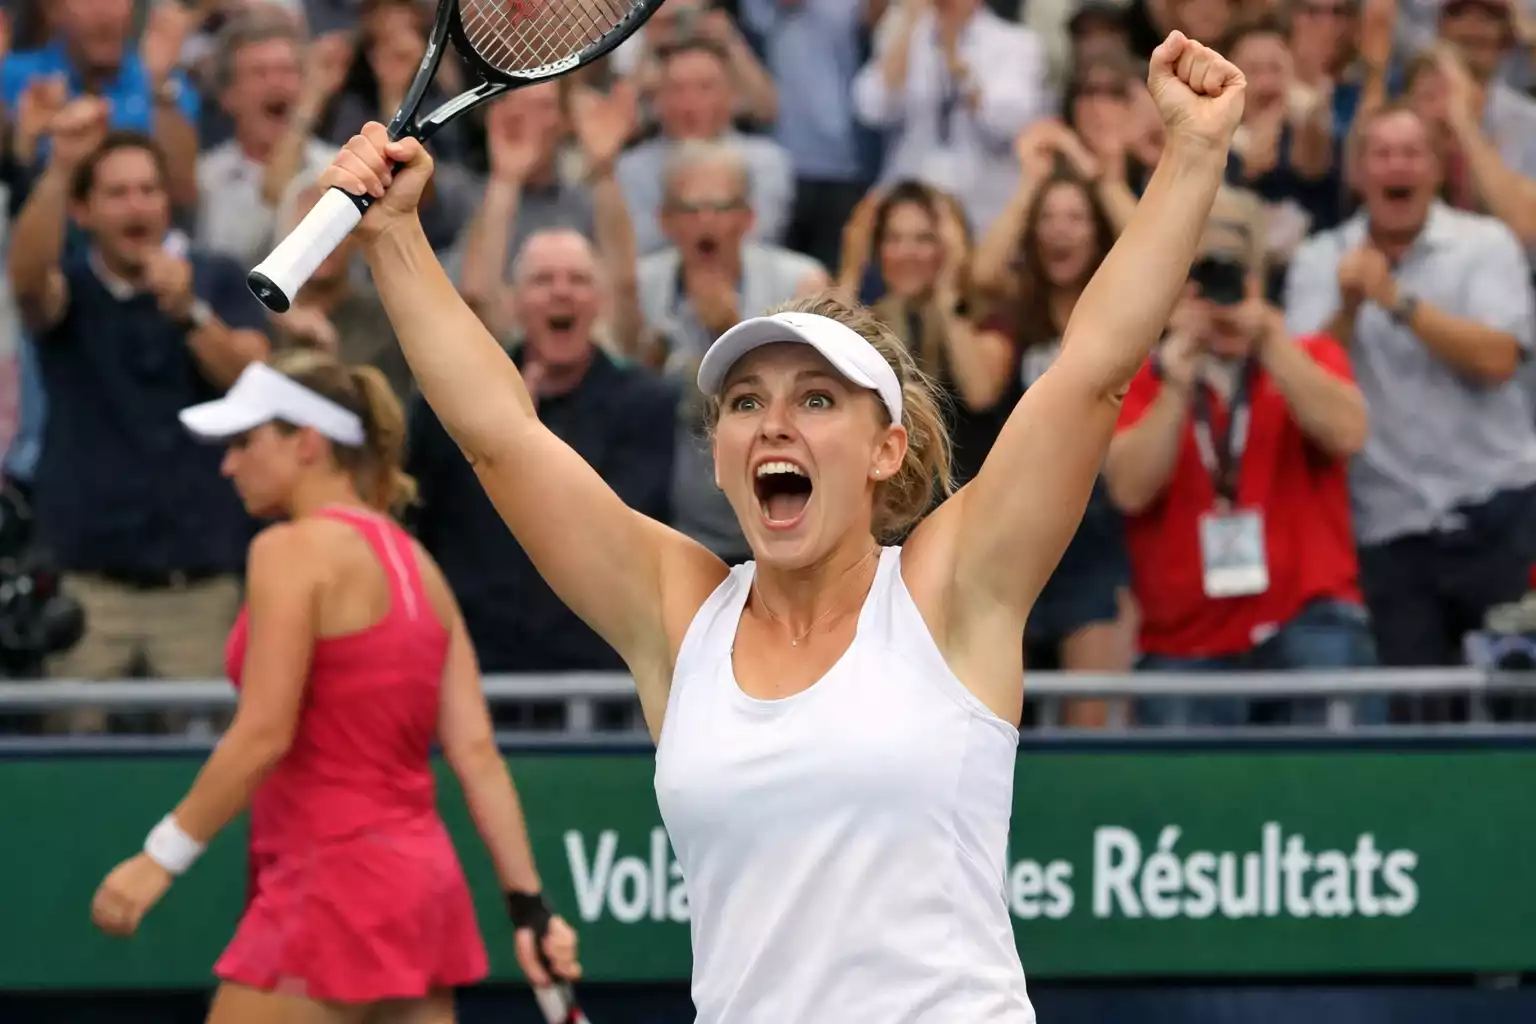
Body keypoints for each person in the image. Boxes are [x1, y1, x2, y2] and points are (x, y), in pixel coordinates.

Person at [320, 29, 1245, 1023]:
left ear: (886, 449)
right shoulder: (679, 613)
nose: (772, 422)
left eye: (815, 399)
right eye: (746, 402)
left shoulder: (950, 588)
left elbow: (1093, 370)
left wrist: (1193, 152)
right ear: (721, 455)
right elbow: (502, 438)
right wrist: (397, 239)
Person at [88, 352, 581, 1023]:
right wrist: (528, 907)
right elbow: (477, 755)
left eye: (245, 441)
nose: (229, 464)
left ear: (308, 443)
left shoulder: (288, 552)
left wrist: (160, 857)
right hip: (421, 894)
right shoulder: (421, 566)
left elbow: (264, 732)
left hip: (329, 889)